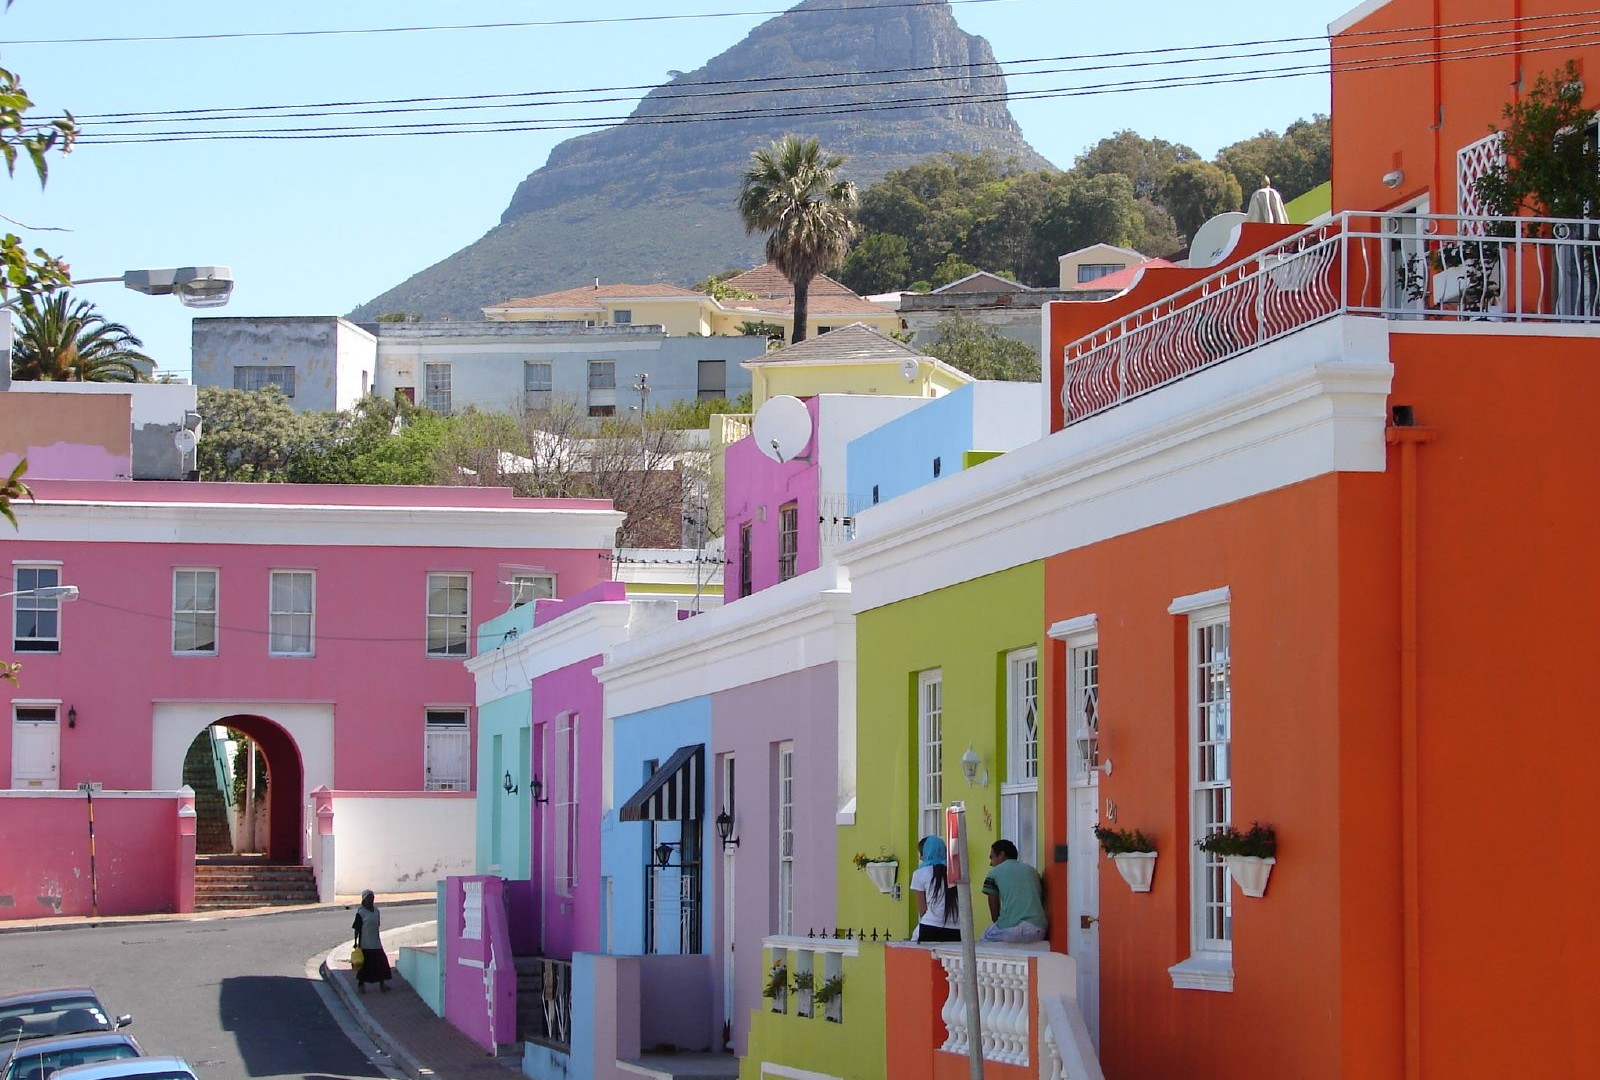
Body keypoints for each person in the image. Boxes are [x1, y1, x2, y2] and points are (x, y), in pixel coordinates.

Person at [979, 839, 1047, 944]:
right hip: (1039, 929)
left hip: (1014, 929)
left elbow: (994, 912)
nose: (990, 863)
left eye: (992, 857)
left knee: (983, 940)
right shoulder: (1033, 871)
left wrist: (1000, 923)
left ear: (1001, 855)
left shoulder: (994, 873)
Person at [909, 835, 960, 943]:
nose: (920, 858)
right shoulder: (955, 873)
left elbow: (922, 910)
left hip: (930, 926)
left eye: (921, 854)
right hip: (956, 928)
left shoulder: (920, 874)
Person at [353, 889, 392, 993]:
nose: (371, 900)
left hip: (376, 942)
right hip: (365, 943)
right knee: (364, 966)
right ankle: (361, 985)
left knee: (381, 963)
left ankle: (382, 984)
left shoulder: (376, 911)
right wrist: (355, 942)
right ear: (364, 900)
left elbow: (377, 925)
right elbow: (357, 929)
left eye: (373, 898)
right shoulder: (361, 913)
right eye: (369, 898)